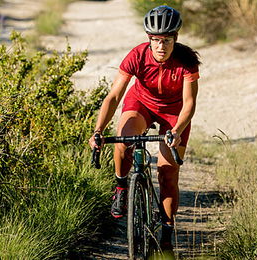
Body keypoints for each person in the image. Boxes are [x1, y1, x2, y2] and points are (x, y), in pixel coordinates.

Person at [88, 5, 200, 251]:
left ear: (175, 39)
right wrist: (97, 130)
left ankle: (167, 233)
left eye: (167, 40)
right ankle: (120, 187)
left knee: (167, 172)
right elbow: (114, 96)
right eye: (156, 40)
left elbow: (189, 104)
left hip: (175, 112)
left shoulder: (187, 62)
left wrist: (177, 130)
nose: (161, 46)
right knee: (124, 140)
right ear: (149, 39)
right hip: (141, 103)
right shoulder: (137, 56)